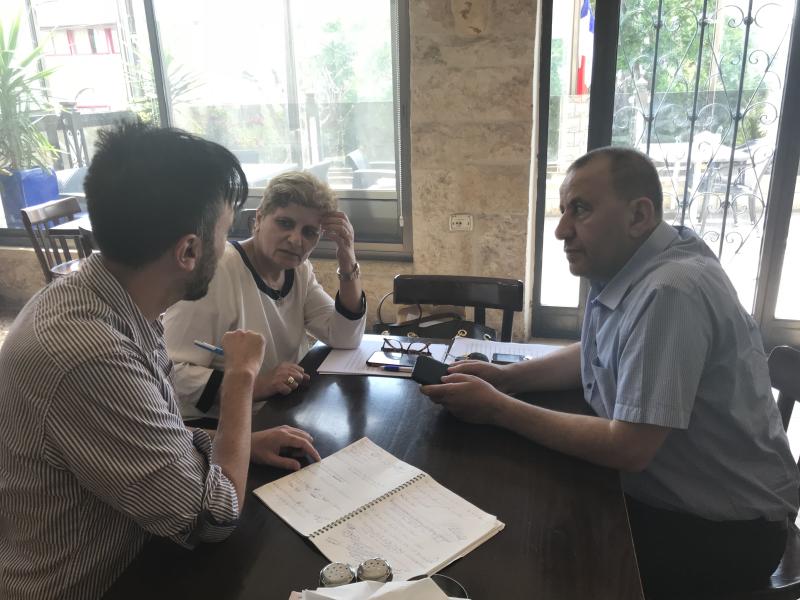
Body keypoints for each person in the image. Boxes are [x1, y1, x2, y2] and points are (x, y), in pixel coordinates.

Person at [421, 147, 800, 596]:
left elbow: (629, 448)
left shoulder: (670, 292)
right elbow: (595, 349)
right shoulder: (640, 264)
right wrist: (504, 379)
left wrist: (498, 409)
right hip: (682, 498)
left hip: (722, 529)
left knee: (532, 555)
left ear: (639, 216)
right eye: (563, 211)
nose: (561, 230)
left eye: (580, 209)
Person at [0, 121, 320, 600]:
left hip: (139, 547)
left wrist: (242, 441)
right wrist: (240, 377)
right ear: (189, 250)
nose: (227, 243)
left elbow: (146, 432)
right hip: (99, 581)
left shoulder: (106, 298)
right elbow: (213, 516)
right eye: (222, 229)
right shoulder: (90, 355)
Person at [163, 170, 366, 421]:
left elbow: (346, 337)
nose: (295, 240)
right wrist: (258, 384)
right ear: (258, 219)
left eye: (309, 232)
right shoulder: (216, 272)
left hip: (279, 410)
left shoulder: (299, 271)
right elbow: (170, 373)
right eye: (285, 223)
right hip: (216, 426)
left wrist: (348, 261)